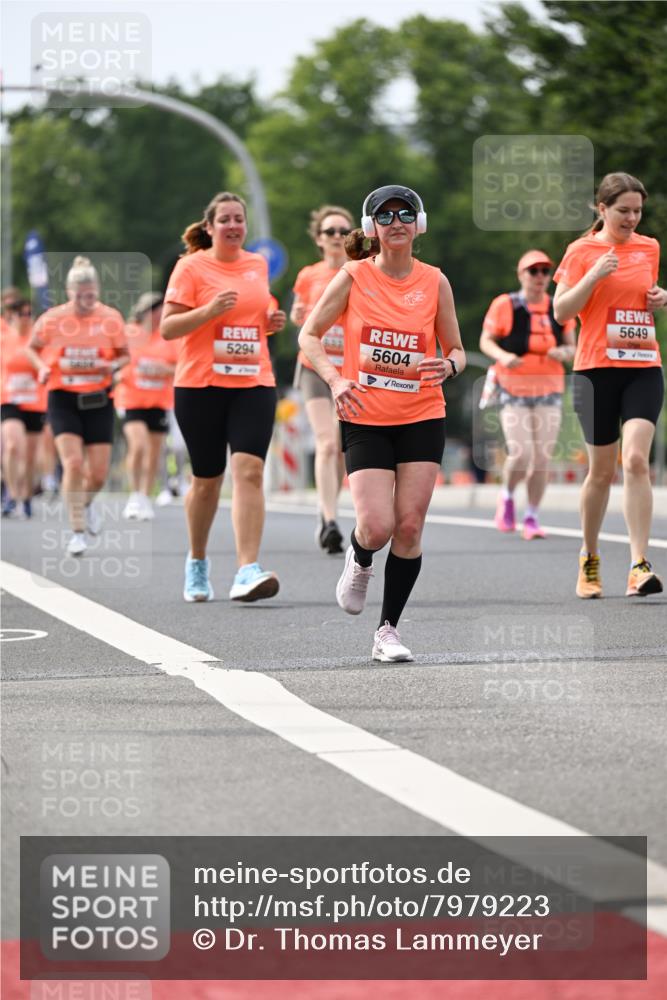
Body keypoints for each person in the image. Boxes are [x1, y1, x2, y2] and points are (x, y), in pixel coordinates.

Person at [299, 184, 465, 661]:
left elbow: (457, 349)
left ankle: (387, 630)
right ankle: (360, 555)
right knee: (376, 526)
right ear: (371, 227)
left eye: (405, 214)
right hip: (365, 415)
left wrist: (448, 366)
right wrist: (335, 380)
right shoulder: (353, 276)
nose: (396, 223)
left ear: (419, 224)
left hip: (422, 414)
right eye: (386, 216)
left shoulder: (435, 281)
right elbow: (309, 336)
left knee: (409, 527)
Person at [161, 191, 286, 603]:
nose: (233, 225)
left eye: (239, 219)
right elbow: (168, 328)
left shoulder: (257, 264)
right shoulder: (190, 267)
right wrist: (208, 311)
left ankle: (247, 569)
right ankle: (197, 560)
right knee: (207, 481)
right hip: (201, 386)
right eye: (225, 219)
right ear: (210, 227)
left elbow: (256, 314)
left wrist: (270, 320)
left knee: (249, 470)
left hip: (253, 382)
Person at [553, 172, 666, 598]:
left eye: (638, 211)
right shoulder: (581, 251)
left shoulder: (649, 247)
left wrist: (661, 298)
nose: (632, 219)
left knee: (635, 460)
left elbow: (644, 294)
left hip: (642, 366)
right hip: (596, 370)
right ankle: (590, 556)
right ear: (602, 209)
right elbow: (562, 311)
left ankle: (639, 565)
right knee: (601, 472)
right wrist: (593, 276)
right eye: (623, 211)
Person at [27, 256, 130, 556]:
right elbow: (32, 348)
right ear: (69, 292)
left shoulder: (110, 317)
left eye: (91, 295)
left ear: (98, 290)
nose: (86, 301)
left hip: (99, 399)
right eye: (80, 296)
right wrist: (41, 368)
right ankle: (77, 531)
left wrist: (112, 366)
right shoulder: (53, 318)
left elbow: (125, 355)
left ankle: (85, 503)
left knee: (97, 474)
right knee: (72, 463)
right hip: (63, 397)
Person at [480, 250, 576, 539]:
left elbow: (573, 347)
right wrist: (504, 356)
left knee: (542, 458)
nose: (540, 277)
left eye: (545, 271)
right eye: (533, 271)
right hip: (513, 386)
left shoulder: (558, 306)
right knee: (521, 453)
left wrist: (564, 352)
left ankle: (532, 515)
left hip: (549, 387)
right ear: (521, 274)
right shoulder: (506, 304)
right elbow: (486, 340)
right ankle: (507, 497)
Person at [291, 205, 355, 554]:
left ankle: (327, 507)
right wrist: (297, 315)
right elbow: (297, 315)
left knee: (341, 448)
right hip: (314, 367)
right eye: (330, 231)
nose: (337, 236)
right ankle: (329, 520)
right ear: (319, 239)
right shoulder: (308, 275)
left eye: (343, 230)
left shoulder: (360, 272)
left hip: (349, 369)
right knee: (326, 443)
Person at [115, 292, 177, 520]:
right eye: (157, 312)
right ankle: (134, 495)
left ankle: (144, 497)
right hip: (131, 398)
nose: (160, 316)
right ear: (146, 312)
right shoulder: (129, 333)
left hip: (159, 400)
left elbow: (181, 367)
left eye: (163, 313)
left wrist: (165, 370)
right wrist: (117, 372)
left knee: (154, 453)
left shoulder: (169, 336)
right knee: (138, 445)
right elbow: (114, 357)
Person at [1, 298, 47, 517]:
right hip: (9, 399)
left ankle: (26, 495)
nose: (26, 318)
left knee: (30, 455)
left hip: (35, 401)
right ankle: (11, 493)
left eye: (29, 314)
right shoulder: (3, 338)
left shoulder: (38, 340)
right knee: (12, 446)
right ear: (12, 316)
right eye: (22, 314)